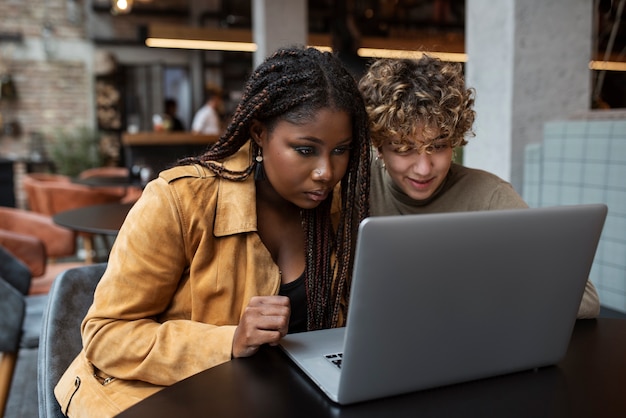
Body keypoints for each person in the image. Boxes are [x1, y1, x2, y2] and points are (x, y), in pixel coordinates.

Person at [54, 46, 371, 417]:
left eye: (340, 150)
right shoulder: (181, 200)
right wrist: (228, 341)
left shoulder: (335, 212)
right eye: (305, 150)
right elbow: (106, 335)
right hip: (159, 401)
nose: (326, 172)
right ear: (259, 133)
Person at [358, 55, 600, 319]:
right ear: (378, 145)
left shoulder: (489, 196)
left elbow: (585, 299)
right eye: (405, 149)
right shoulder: (353, 186)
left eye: (438, 146)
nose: (424, 168)